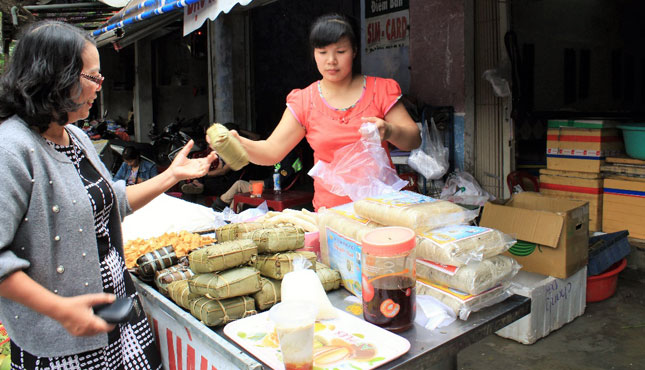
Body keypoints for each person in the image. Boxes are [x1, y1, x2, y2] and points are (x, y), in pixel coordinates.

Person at [0, 21, 216, 369]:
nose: (99, 87)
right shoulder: (11, 149)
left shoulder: (77, 138)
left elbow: (109, 204)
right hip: (65, 339)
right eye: (92, 77)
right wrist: (59, 309)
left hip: (120, 318)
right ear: (54, 78)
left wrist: (171, 176)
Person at [217, 13, 421, 211]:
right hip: (331, 214)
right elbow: (271, 152)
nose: (331, 60)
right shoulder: (304, 101)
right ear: (314, 53)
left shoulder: (381, 90)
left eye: (341, 52)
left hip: (382, 209)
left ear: (355, 51)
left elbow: (414, 140)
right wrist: (238, 142)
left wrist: (390, 131)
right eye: (322, 52)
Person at [211, 149, 303, 211]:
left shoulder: (290, 159)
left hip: (276, 192)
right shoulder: (278, 155)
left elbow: (277, 182)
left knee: (239, 186)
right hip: (267, 188)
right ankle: (228, 215)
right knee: (239, 190)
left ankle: (219, 208)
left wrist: (257, 182)